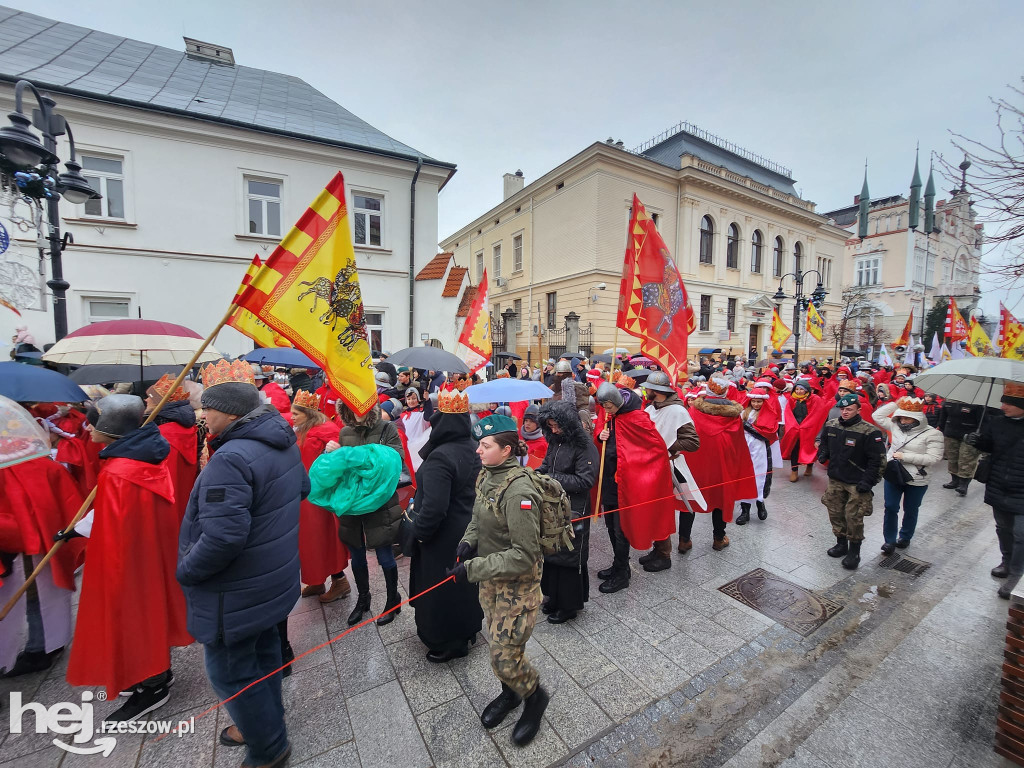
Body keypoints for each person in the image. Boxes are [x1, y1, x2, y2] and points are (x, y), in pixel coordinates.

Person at [177, 359, 305, 767]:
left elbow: (223, 538)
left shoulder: (232, 458)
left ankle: (268, 747)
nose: (202, 416)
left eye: (207, 409)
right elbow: (300, 487)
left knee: (231, 672)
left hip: (238, 587)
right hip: (271, 576)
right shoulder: (281, 440)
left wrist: (187, 569)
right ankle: (266, 724)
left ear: (230, 413)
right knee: (265, 654)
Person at [61, 394, 192, 721]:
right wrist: (80, 528)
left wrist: (88, 537)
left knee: (134, 616)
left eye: (93, 423)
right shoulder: (144, 457)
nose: (88, 430)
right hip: (149, 555)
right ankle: (154, 672)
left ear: (112, 428)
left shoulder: (120, 472)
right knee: (148, 612)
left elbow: (115, 528)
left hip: (129, 562)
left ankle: (154, 683)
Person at [450, 415, 549, 747]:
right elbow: (479, 516)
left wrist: (474, 569)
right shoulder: (488, 475)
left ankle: (535, 697)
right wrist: (468, 541)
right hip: (493, 581)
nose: (478, 451)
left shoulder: (519, 491)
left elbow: (525, 554)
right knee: (499, 644)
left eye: (485, 445)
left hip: (517, 587)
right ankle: (512, 693)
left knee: (504, 655)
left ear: (506, 450)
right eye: (480, 444)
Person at [408, 385, 483, 661]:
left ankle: (450, 640)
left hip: (443, 535)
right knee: (463, 583)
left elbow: (434, 509)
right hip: (467, 528)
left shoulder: (441, 456)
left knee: (442, 587)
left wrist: (418, 534)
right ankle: (468, 629)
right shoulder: (472, 447)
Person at [0, 455, 85, 676]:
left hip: (21, 547)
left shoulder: (12, 469)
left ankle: (40, 648)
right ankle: (52, 641)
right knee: (46, 592)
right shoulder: (39, 462)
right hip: (47, 540)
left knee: (32, 595)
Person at [591, 381, 676, 592]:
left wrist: (632, 468)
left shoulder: (637, 418)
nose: (605, 411)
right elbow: (607, 445)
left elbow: (655, 450)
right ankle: (619, 565)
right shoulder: (611, 417)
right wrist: (600, 438)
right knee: (611, 526)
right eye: (603, 407)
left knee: (621, 530)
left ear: (616, 402)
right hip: (611, 482)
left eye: (608, 406)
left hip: (628, 486)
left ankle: (621, 574)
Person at [330, 403, 405, 626]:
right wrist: (333, 455)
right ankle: (363, 600)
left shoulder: (387, 429)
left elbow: (395, 460)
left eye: (361, 406)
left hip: (380, 502)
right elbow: (342, 468)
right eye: (351, 407)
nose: (357, 412)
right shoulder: (345, 432)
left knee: (384, 555)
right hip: (352, 502)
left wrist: (350, 455)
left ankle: (393, 600)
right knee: (358, 555)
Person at [537, 399, 598, 622]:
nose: (553, 430)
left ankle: (569, 605)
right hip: (552, 505)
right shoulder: (555, 441)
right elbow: (546, 465)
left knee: (569, 555)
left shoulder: (585, 446)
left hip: (574, 508)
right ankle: (553, 596)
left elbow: (585, 480)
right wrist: (535, 473)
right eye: (550, 426)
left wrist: (550, 478)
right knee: (552, 552)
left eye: (557, 426)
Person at [965, 381, 1024, 598]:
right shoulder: (996, 422)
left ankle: (1018, 574)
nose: (1003, 407)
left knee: (1021, 534)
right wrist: (977, 441)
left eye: (1008, 403)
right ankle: (1006, 561)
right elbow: (989, 445)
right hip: (999, 484)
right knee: (1003, 528)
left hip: (1021, 488)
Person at [639, 371, 702, 572]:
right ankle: (658, 549)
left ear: (657, 391)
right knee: (653, 510)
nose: (645, 390)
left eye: (648, 388)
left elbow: (693, 442)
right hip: (652, 466)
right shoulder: (652, 407)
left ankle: (664, 555)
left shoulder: (677, 411)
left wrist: (667, 446)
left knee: (662, 511)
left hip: (668, 467)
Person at [291, 391, 351, 603]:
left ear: (308, 413)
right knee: (309, 540)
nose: (292, 416)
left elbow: (338, 462)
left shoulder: (326, 432)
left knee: (322, 538)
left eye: (296, 413)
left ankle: (339, 580)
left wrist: (329, 453)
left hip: (319, 496)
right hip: (304, 494)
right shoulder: (302, 430)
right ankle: (316, 580)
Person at [685, 377, 757, 552]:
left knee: (689, 498)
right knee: (720, 499)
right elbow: (738, 446)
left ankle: (683, 540)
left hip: (696, 465)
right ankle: (718, 538)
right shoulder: (733, 417)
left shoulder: (693, 412)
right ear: (726, 392)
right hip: (722, 467)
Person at [816, 392, 886, 570]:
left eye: (849, 409)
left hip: (857, 481)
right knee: (835, 512)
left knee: (853, 516)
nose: (845, 412)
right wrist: (823, 453)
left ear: (858, 410)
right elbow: (823, 442)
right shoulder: (832, 425)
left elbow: (877, 460)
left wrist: (869, 481)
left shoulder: (870, 431)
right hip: (836, 478)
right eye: (842, 409)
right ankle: (841, 543)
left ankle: (854, 550)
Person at [871, 397, 944, 554]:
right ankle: (889, 541)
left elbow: (934, 458)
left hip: (917, 477)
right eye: (900, 417)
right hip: (894, 473)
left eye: (906, 417)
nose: (902, 421)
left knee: (911, 509)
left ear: (917, 418)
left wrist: (905, 457)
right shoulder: (895, 425)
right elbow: (876, 416)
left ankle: (905, 536)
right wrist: (896, 404)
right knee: (890, 507)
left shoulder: (933, 434)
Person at [145, 374, 199, 524]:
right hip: (185, 499)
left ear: (159, 403)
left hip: (167, 506)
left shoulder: (163, 436)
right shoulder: (183, 429)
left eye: (150, 397)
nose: (146, 399)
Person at [735, 383, 782, 525]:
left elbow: (768, 433)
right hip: (744, 447)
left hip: (759, 448)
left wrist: (747, 427)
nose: (756, 404)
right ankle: (745, 510)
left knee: (758, 476)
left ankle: (760, 503)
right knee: (744, 476)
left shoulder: (769, 413)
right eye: (754, 401)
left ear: (764, 401)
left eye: (759, 401)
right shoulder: (744, 412)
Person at [780, 379, 829, 482]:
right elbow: (788, 413)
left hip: (809, 427)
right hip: (795, 427)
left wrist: (807, 425)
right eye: (796, 389)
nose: (798, 391)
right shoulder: (792, 399)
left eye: (801, 389)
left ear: (807, 390)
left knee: (809, 447)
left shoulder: (815, 399)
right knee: (795, 448)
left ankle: (809, 465)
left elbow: (817, 413)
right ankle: (794, 470)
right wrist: (793, 425)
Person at [938, 399, 989, 497]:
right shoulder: (948, 402)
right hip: (951, 434)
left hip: (970, 437)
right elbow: (943, 417)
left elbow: (984, 423)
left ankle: (963, 485)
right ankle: (954, 481)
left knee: (966, 460)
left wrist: (980, 435)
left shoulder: (977, 405)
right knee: (952, 458)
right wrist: (941, 428)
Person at [401, 387, 434, 472]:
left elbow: (428, 416)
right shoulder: (403, 416)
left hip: (418, 450)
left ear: (418, 399)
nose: (411, 401)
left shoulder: (421, 415)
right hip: (407, 450)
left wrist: (427, 400)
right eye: (408, 399)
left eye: (414, 398)